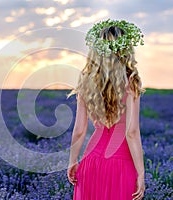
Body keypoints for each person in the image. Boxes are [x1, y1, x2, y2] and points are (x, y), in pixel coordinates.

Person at [67, 19, 146, 200]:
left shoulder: (86, 82)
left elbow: (79, 131)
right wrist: (141, 173)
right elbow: (132, 132)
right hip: (122, 164)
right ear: (125, 50)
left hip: (91, 161)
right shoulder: (131, 83)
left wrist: (72, 161)